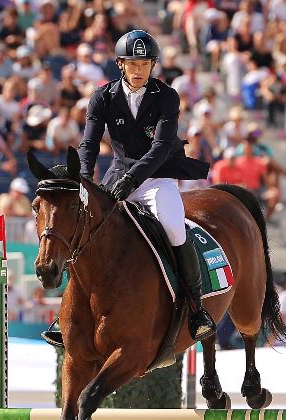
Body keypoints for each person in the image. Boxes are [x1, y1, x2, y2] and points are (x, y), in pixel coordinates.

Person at [71, 29, 213, 347]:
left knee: (175, 228)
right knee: (83, 230)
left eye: (145, 63)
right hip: (117, 175)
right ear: (121, 64)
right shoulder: (102, 97)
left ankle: (196, 308)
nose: (138, 70)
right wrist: (84, 180)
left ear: (153, 65)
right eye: (132, 63)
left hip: (156, 178)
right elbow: (89, 143)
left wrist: (133, 180)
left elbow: (161, 147)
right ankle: (69, 312)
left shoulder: (166, 97)